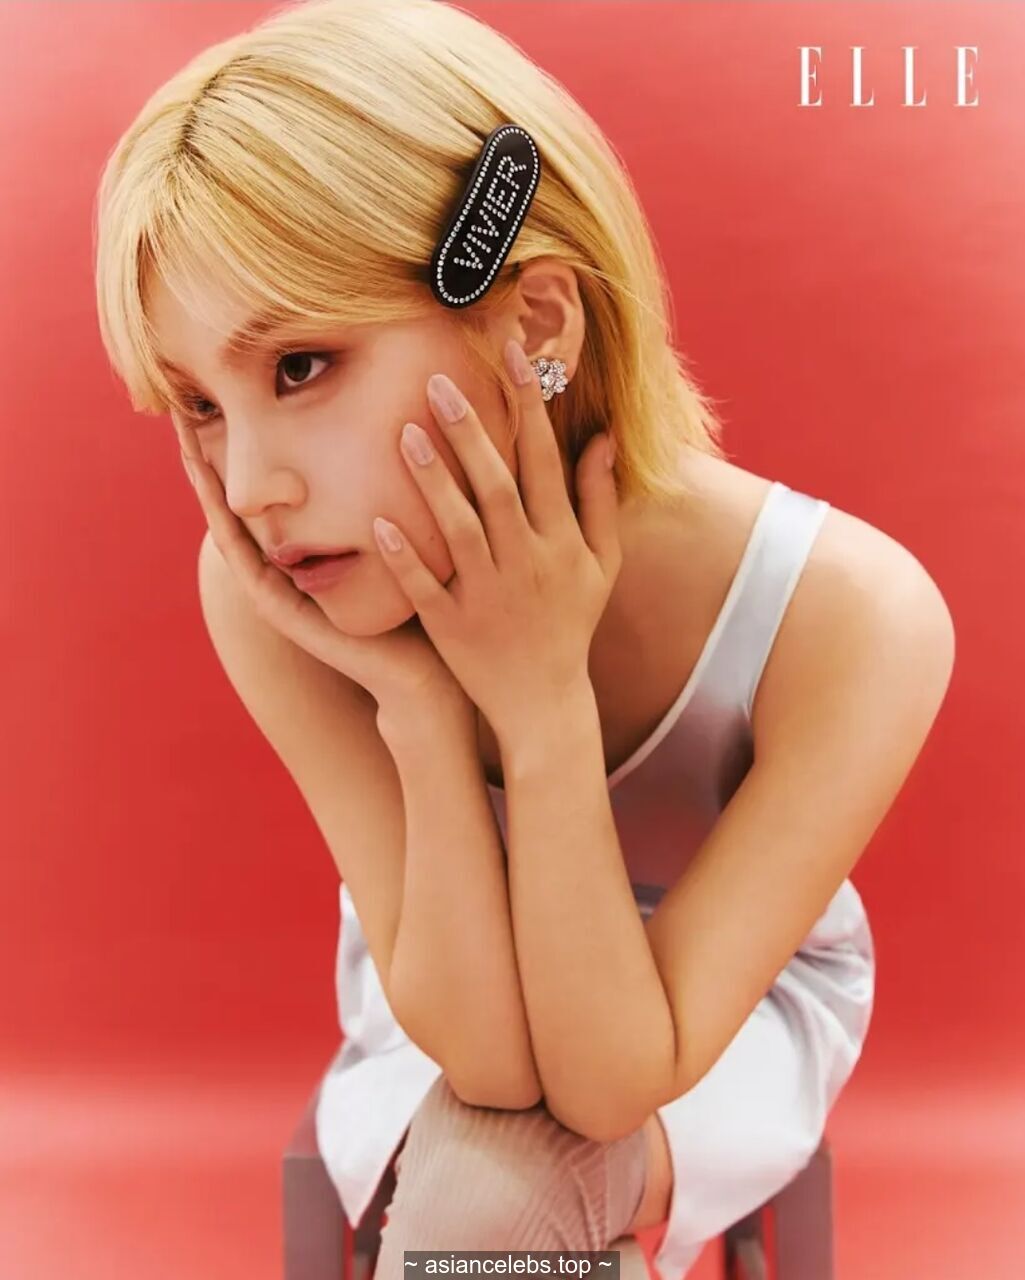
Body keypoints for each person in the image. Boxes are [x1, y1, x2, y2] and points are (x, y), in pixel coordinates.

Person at [92, 2, 956, 1276]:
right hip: (441, 1006)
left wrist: (542, 704)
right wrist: (420, 707)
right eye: (199, 405)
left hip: (725, 1020)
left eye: (300, 367)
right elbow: (487, 1059)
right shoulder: (279, 596)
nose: (253, 485)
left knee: (494, 1199)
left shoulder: (851, 618)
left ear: (534, 325)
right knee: (489, 1181)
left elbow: (610, 1078)